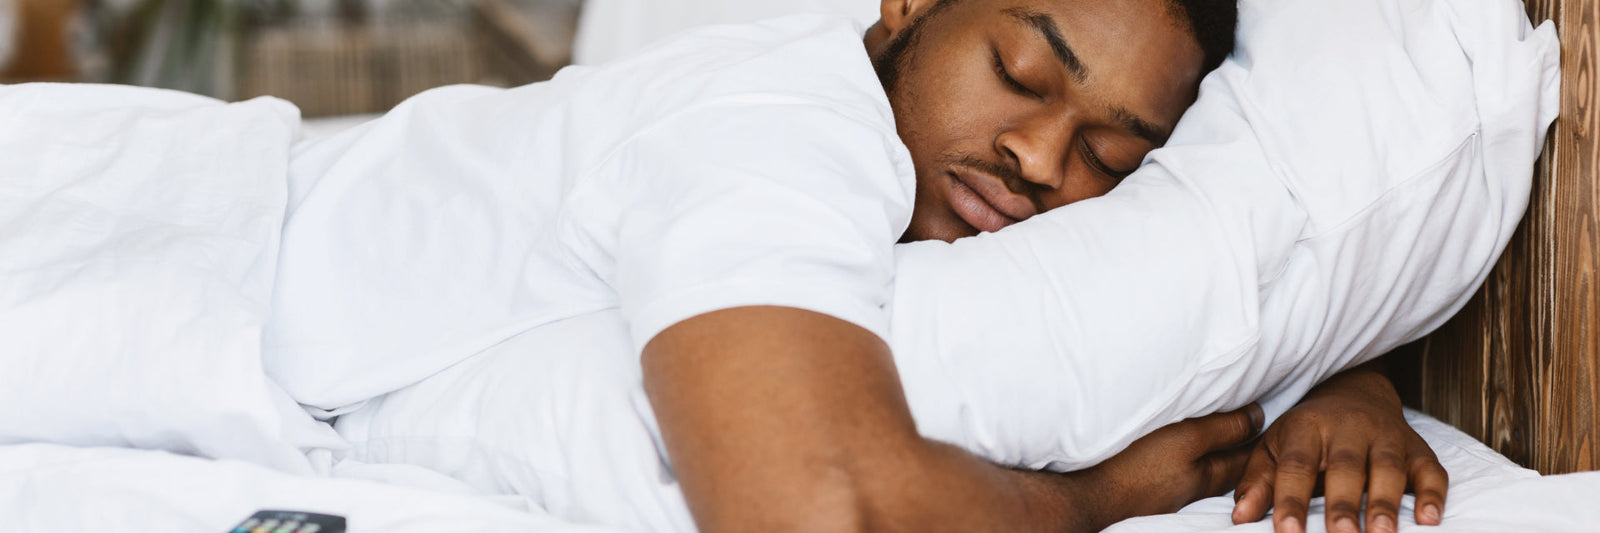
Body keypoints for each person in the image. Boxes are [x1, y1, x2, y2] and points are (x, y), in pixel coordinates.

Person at [267, 0, 1445, 531]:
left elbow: (1212, 278)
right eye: (1022, 75)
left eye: (1107, 151)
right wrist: (1106, 495)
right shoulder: (785, 122)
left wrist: (1340, 378)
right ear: (910, 6)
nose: (1039, 157)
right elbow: (811, 506)